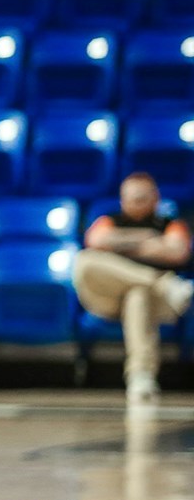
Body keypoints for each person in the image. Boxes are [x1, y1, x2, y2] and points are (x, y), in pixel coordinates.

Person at [74, 172, 193, 403]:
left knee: (137, 295)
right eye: (130, 198)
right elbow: (96, 241)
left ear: (155, 198)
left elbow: (178, 251)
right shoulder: (110, 220)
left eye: (141, 197)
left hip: (156, 303)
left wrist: (121, 245)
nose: (135, 203)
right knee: (85, 260)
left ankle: (141, 376)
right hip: (108, 297)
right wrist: (148, 241)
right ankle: (164, 284)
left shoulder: (170, 224)